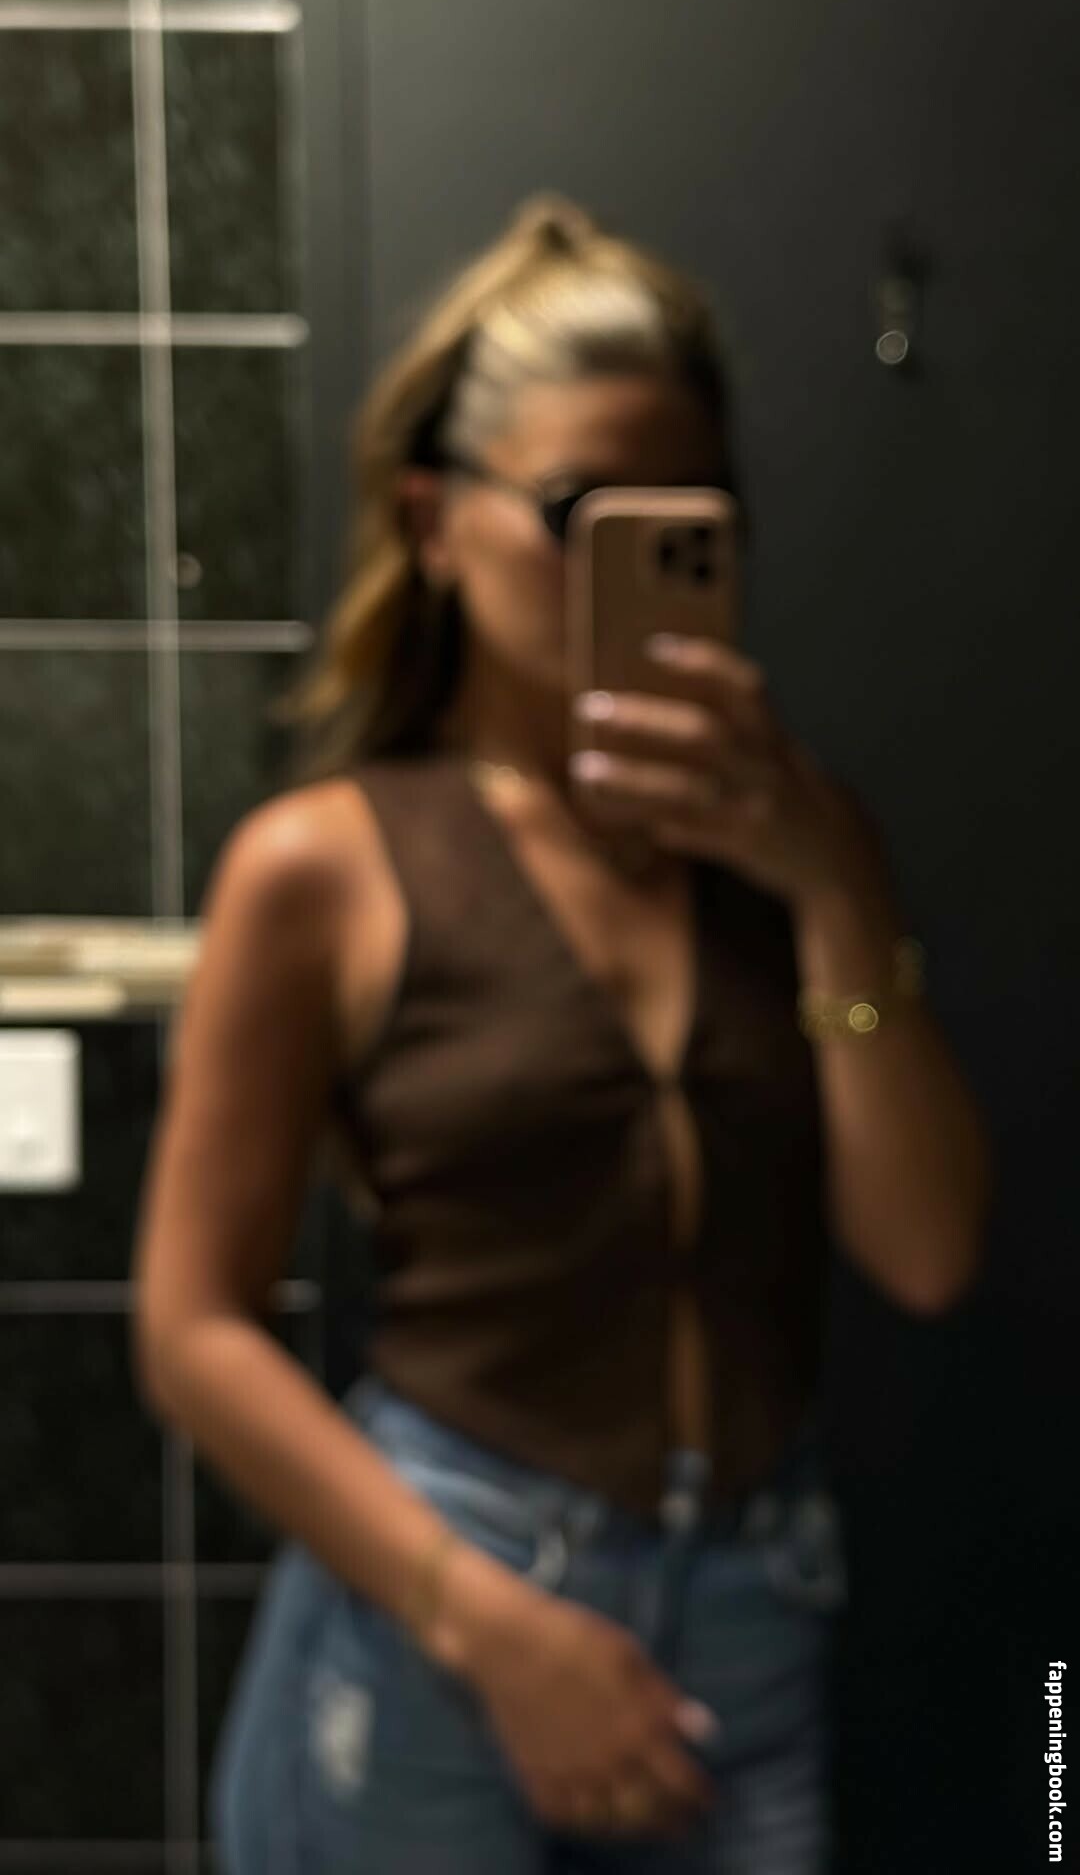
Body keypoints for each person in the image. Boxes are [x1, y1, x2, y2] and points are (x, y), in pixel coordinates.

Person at [131, 192, 992, 1874]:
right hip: (448, 1598)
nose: (633, 563)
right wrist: (487, 1623)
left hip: (751, 1603)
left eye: (689, 519)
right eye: (579, 514)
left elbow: (929, 1249)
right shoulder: (323, 868)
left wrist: (828, 885)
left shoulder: (799, 843)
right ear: (434, 524)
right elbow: (190, 1330)